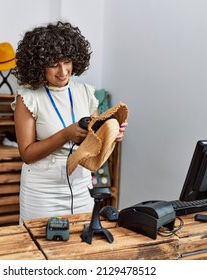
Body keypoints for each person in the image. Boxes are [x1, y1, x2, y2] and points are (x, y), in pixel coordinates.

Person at [11, 21, 126, 224]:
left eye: (67, 61)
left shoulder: (86, 93)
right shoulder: (28, 98)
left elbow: (90, 144)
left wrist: (109, 134)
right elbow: (27, 154)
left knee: (79, 247)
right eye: (54, 64)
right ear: (39, 65)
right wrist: (65, 134)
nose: (63, 71)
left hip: (81, 188)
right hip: (42, 192)